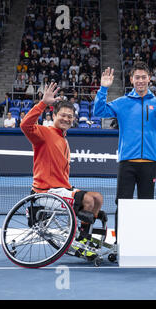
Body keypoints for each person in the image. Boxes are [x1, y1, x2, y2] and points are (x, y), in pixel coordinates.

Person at [20, 83, 105, 256]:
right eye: (63, 115)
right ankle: (82, 241)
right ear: (54, 115)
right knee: (88, 200)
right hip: (46, 191)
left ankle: (82, 238)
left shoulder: (64, 140)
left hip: (62, 189)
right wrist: (42, 103)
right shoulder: (43, 133)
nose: (67, 119)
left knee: (98, 198)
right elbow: (25, 125)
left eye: (70, 116)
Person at [94, 62, 156, 240]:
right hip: (127, 163)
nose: (141, 81)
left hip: (150, 163)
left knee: (146, 207)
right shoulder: (122, 103)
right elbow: (99, 111)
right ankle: (120, 242)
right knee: (123, 205)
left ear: (149, 78)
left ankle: (144, 242)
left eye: (144, 77)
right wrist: (103, 89)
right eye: (137, 77)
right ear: (131, 79)